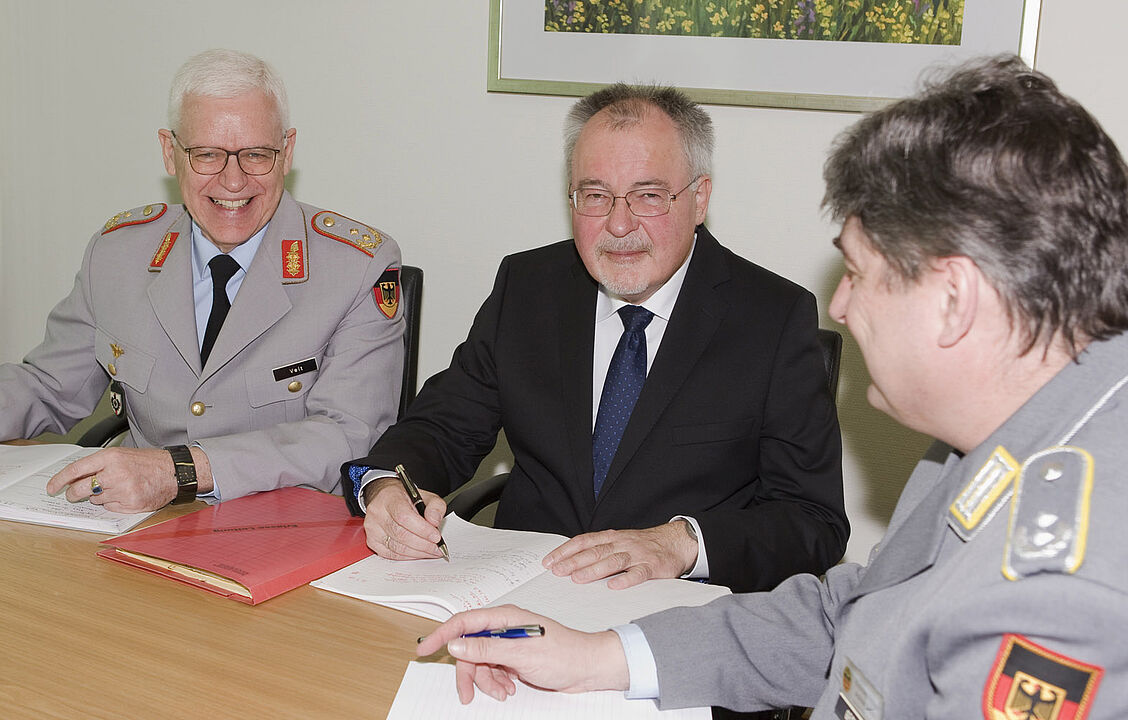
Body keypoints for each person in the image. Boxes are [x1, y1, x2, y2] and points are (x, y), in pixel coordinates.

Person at [416, 56, 1128, 718]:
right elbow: (851, 611)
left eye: (858, 273)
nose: (842, 307)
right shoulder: (983, 446)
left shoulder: (1067, 587)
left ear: (954, 298)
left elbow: (820, 546)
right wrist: (603, 656)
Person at [346, 84, 847, 594]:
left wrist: (681, 544)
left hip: (677, 614)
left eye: (649, 195)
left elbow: (813, 521)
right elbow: (445, 425)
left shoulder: (773, 317)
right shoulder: (529, 286)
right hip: (522, 592)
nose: (619, 223)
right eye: (596, 195)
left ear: (699, 200)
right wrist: (387, 484)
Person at [0, 49, 404, 513]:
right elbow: (51, 385)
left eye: (256, 155)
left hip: (285, 530)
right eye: (207, 154)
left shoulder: (357, 266)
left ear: (287, 152)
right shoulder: (121, 252)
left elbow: (348, 435)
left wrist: (180, 472)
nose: (233, 180)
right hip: (138, 524)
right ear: (170, 153)